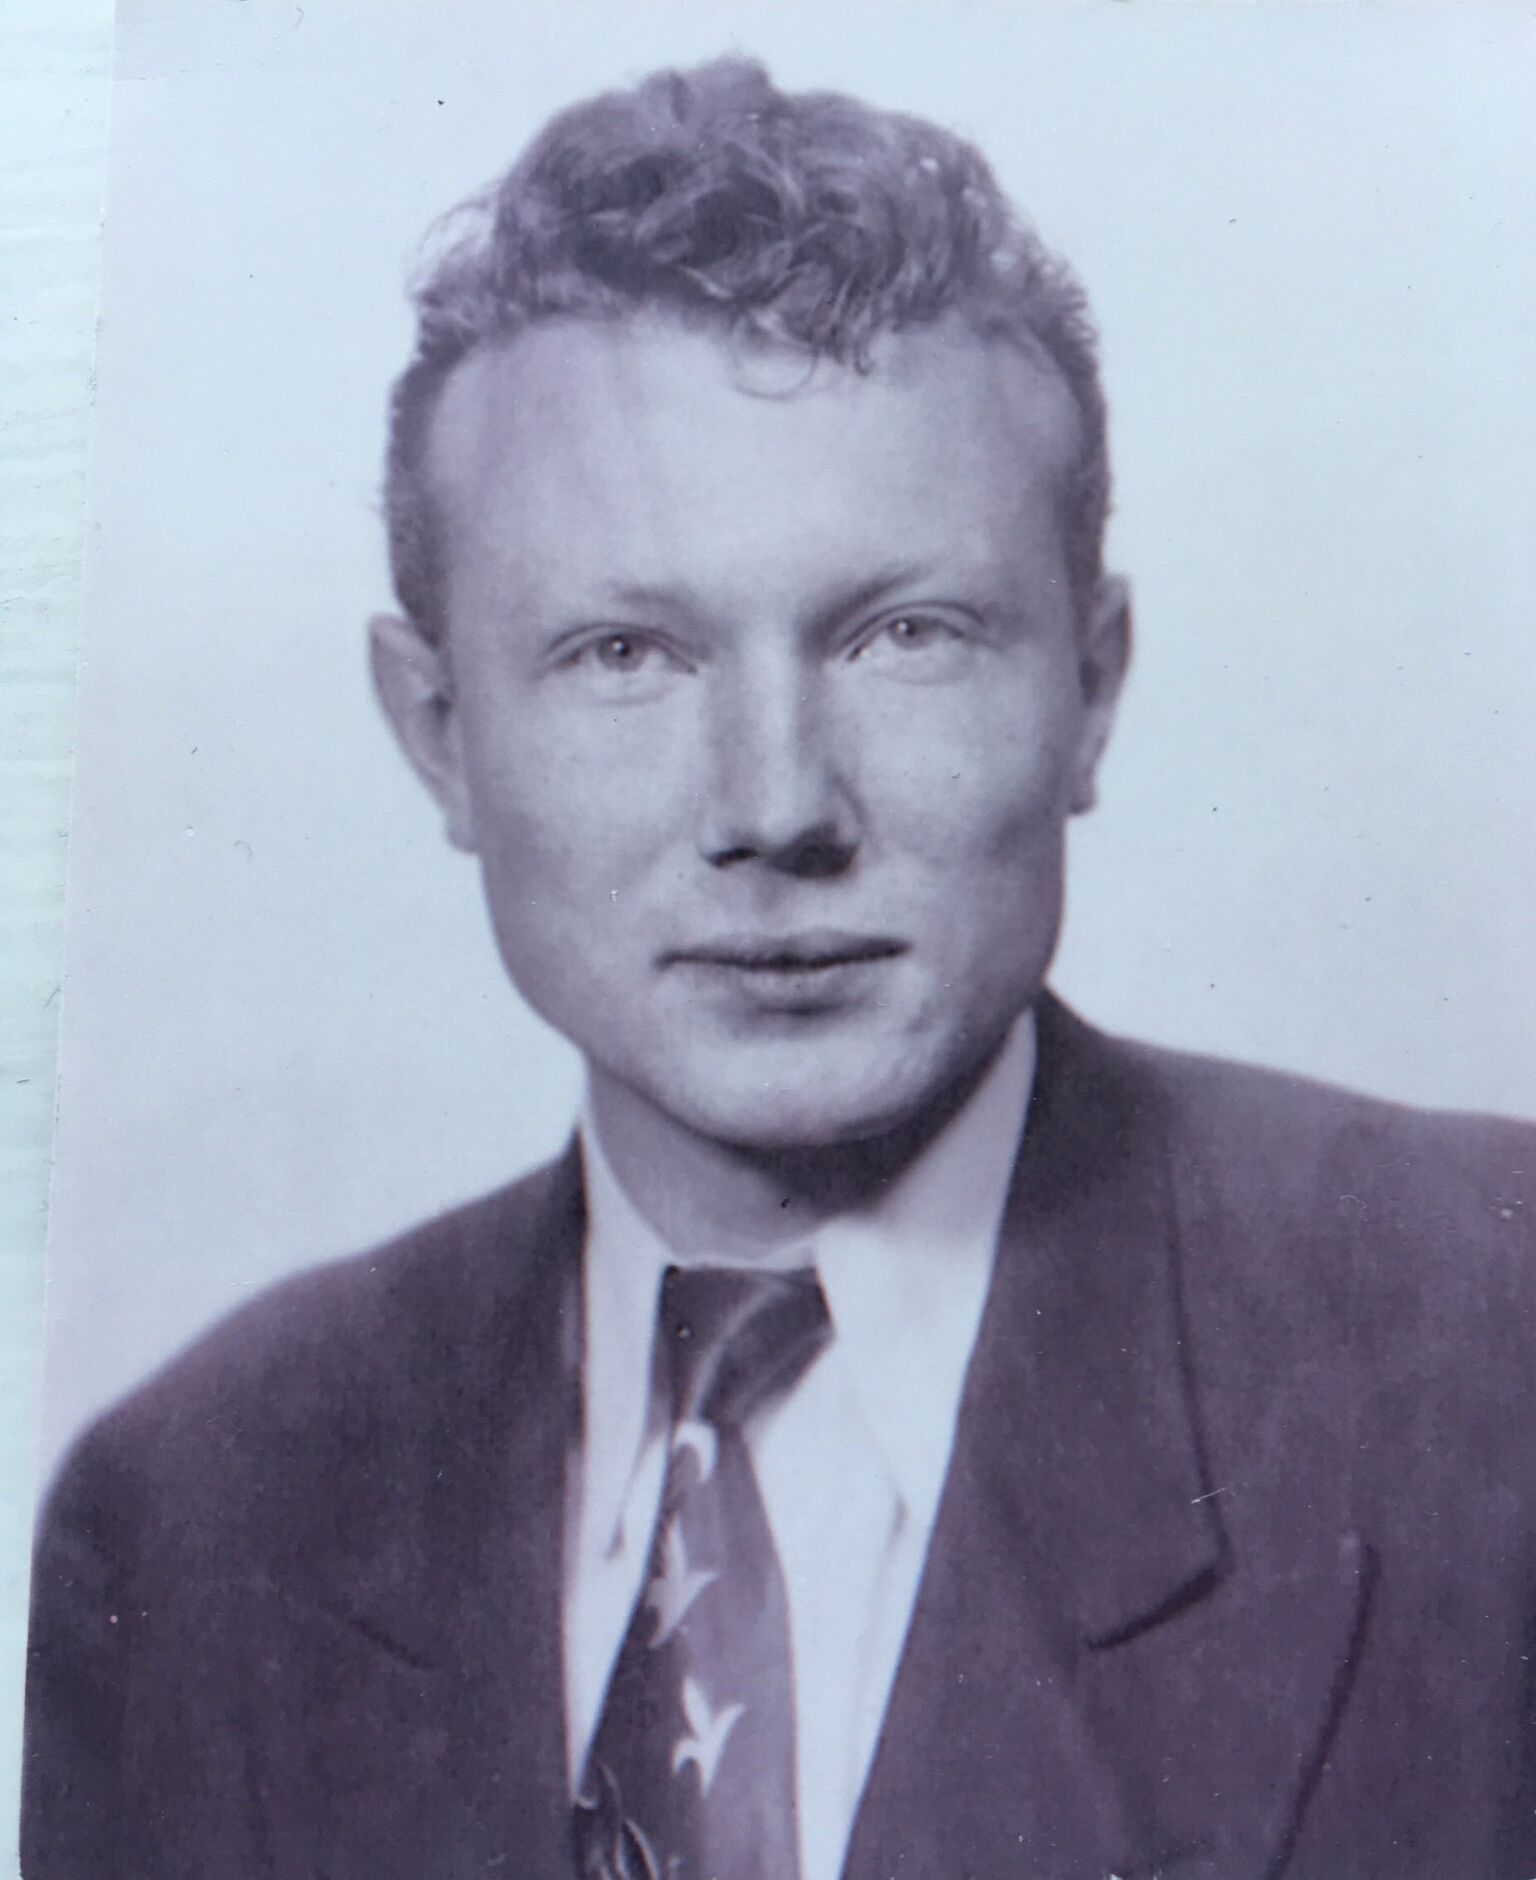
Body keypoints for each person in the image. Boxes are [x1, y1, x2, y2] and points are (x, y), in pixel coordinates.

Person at [20, 56, 1536, 1880]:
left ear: (1093, 690)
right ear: (438, 737)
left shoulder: (1490, 1348)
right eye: (624, 656)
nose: (775, 807)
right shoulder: (191, 1516)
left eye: (906, 635)